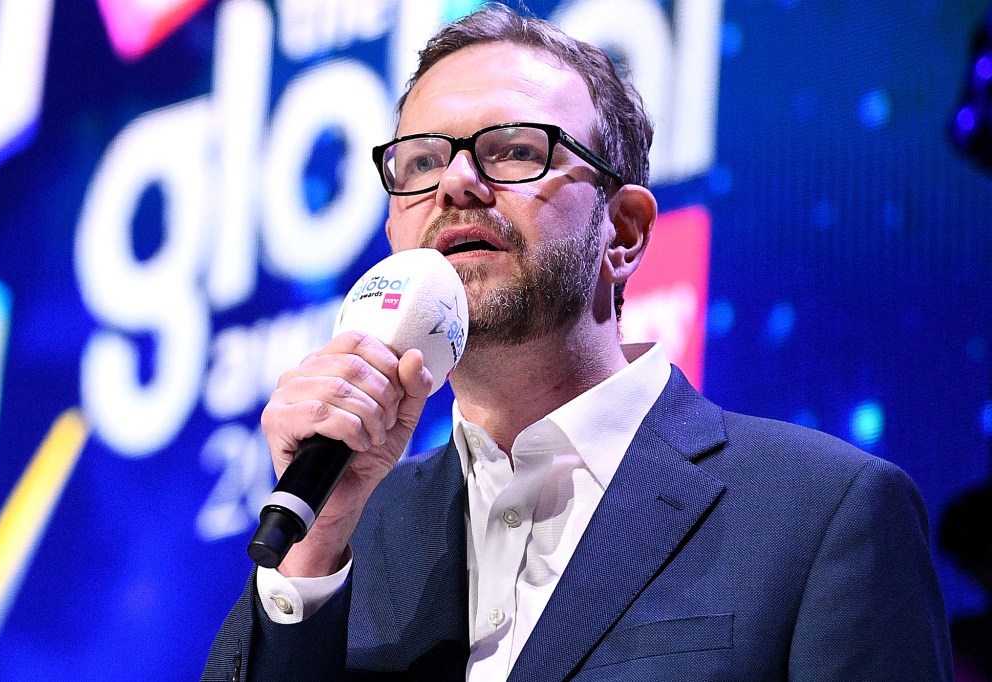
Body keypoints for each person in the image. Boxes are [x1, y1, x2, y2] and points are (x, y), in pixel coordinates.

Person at [203, 5, 952, 680]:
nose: (456, 182)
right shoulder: (342, 534)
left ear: (622, 233)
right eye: (423, 161)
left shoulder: (820, 514)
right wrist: (315, 553)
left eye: (513, 150)